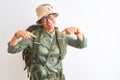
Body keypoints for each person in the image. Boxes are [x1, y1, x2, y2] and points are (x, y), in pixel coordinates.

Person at [7, 3, 87, 80]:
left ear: (55, 17)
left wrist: (77, 32)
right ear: (40, 22)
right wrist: (16, 35)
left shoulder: (62, 37)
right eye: (44, 19)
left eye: (51, 17)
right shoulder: (34, 37)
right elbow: (12, 50)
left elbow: (82, 44)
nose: (49, 21)